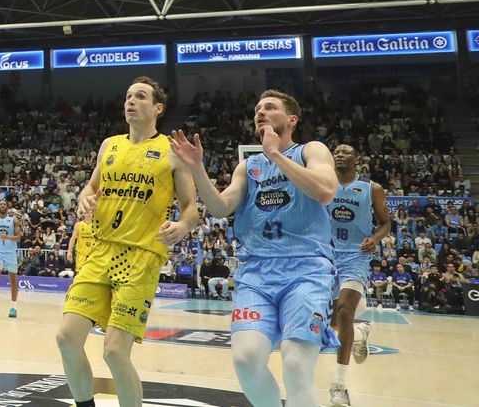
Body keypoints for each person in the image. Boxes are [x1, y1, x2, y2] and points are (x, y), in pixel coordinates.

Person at [170, 89, 338, 407]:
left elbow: (326, 191)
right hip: (256, 273)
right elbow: (220, 207)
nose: (260, 112)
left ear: (291, 119)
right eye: (257, 109)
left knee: (296, 364)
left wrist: (277, 155)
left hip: (307, 270)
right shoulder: (248, 167)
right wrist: (196, 168)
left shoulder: (311, 150)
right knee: (246, 360)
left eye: (269, 107)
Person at [56, 78, 198, 407]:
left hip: (141, 258)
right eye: (128, 96)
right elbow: (90, 188)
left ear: (157, 108)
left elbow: (191, 209)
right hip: (100, 251)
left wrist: (182, 225)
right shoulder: (109, 145)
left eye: (140, 96)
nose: (131, 101)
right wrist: (84, 199)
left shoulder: (171, 152)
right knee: (66, 338)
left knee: (116, 352)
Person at [326, 144, 391, 407]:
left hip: (356, 255)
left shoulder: (371, 188)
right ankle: (358, 330)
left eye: (345, 151)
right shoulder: (322, 183)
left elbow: (385, 222)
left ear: (357, 159)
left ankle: (339, 386)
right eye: (336, 152)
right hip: (325, 255)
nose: (339, 154)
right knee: (329, 320)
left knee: (344, 310)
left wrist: (375, 239)